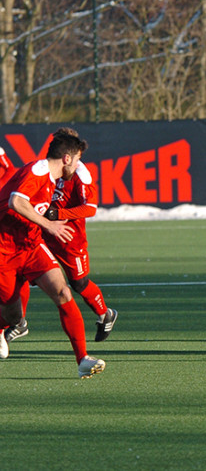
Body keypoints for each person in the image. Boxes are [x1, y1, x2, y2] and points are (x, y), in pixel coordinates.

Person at [0, 128, 105, 377]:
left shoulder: (55, 178)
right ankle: (11, 324)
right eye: (77, 159)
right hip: (4, 251)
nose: (78, 165)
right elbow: (16, 201)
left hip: (31, 247)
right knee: (13, 315)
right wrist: (49, 225)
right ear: (67, 158)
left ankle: (83, 360)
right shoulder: (38, 170)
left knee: (63, 291)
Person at [4, 154, 118, 344]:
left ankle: (105, 314)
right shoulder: (47, 169)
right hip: (42, 231)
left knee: (78, 283)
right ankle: (18, 323)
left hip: (69, 238)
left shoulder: (81, 174)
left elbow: (90, 208)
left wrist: (57, 214)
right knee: (21, 273)